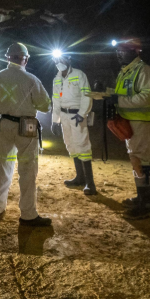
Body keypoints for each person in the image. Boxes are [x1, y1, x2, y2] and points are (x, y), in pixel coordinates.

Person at [0, 42, 53, 226]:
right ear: (26, 59)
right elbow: (45, 106)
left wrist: (7, 105)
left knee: (4, 166)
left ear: (7, 58)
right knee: (27, 169)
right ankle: (28, 214)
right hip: (26, 126)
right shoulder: (31, 80)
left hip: (5, 124)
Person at [112, 38, 150, 219]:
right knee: (136, 159)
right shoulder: (126, 71)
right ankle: (142, 197)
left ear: (135, 51)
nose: (119, 54)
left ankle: (147, 203)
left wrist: (118, 100)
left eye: (122, 50)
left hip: (143, 122)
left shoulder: (145, 71)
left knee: (142, 160)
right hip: (131, 121)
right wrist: (110, 95)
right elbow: (123, 95)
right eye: (118, 51)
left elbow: (147, 96)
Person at [51, 53, 95, 195]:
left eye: (62, 58)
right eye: (56, 59)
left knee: (82, 145)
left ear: (69, 59)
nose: (59, 61)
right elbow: (56, 101)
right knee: (70, 145)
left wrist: (82, 114)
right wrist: (55, 121)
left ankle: (90, 183)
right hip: (64, 116)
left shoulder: (79, 74)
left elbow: (86, 96)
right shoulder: (57, 79)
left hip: (77, 116)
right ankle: (80, 177)